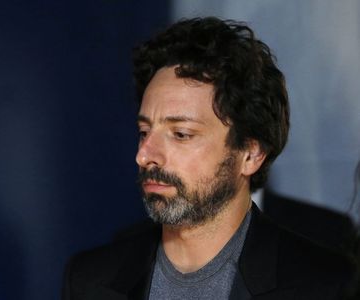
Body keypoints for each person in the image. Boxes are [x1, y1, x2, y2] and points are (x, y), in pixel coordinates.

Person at [62, 17, 357, 299]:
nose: (144, 155)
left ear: (250, 154)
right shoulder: (91, 279)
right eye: (144, 131)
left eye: (181, 134)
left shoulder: (325, 285)